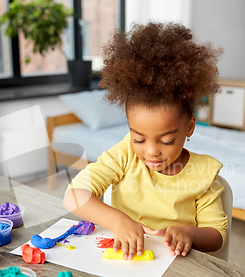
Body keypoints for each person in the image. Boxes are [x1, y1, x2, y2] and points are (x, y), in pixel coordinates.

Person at [63, 22, 227, 260]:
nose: (151, 151)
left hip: (176, 267)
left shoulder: (204, 172)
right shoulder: (125, 153)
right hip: (125, 260)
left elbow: (217, 236)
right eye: (138, 138)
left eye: (167, 141)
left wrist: (189, 233)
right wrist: (118, 220)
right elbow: (73, 196)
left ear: (189, 126)